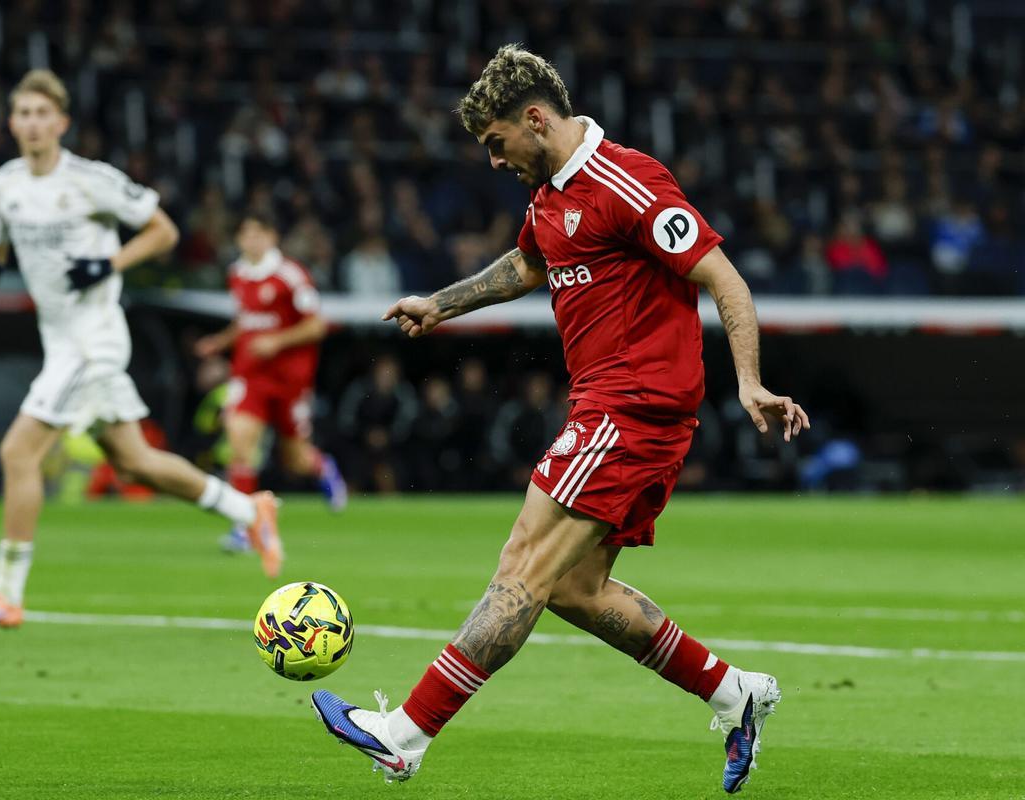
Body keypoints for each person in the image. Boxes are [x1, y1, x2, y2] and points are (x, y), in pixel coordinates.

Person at [311, 46, 810, 795]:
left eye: (496, 142)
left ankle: (404, 735)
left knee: (523, 565)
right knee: (576, 589)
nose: (493, 160)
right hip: (609, 408)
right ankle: (735, 694)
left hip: (634, 408)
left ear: (536, 118)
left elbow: (722, 274)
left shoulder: (628, 181)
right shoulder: (549, 197)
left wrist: (749, 381)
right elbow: (525, 266)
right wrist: (439, 305)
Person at [0, 70, 282, 629]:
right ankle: (249, 509)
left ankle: (5, 594)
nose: (32, 123)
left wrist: (109, 263)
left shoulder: (90, 180)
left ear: (61, 122)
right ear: (11, 122)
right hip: (59, 344)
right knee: (136, 462)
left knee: (16, 453)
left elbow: (163, 230)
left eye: (41, 113)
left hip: (93, 340)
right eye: (23, 113)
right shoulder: (2, 185)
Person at [194, 211, 347, 550]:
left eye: (258, 234)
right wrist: (220, 341)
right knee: (240, 443)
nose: (252, 241)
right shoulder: (237, 273)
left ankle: (323, 468)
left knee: (295, 458)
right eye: (245, 235)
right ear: (238, 240)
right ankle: (245, 526)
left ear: (272, 237)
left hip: (290, 381)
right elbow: (245, 322)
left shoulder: (290, 276)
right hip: (250, 376)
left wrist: (276, 341)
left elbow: (316, 326)